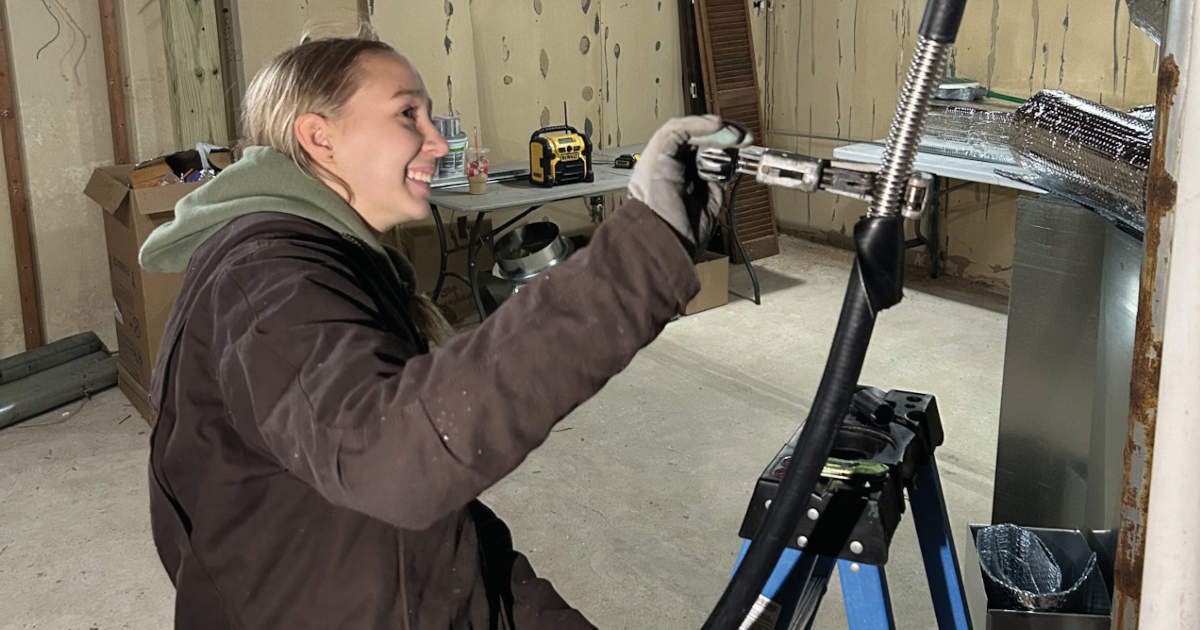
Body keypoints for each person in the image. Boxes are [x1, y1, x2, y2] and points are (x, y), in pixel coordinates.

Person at [139, 26, 748, 630]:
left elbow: (429, 539)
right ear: (320, 138)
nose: (437, 142)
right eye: (408, 114)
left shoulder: (333, 260)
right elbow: (396, 459)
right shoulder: (271, 281)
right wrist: (643, 250)